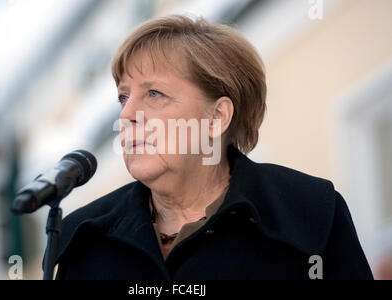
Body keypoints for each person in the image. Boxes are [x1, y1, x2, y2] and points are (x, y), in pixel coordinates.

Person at [54, 15, 373, 280]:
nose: (126, 115)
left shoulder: (311, 211)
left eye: (154, 94)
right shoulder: (83, 239)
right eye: (124, 97)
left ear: (217, 116)